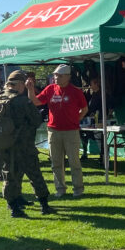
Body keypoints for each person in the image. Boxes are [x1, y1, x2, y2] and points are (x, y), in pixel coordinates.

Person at [0, 70, 54, 218]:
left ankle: (14, 206)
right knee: (35, 174)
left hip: (5, 145)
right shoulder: (22, 101)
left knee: (10, 175)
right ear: (21, 84)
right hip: (24, 145)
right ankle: (44, 205)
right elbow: (36, 120)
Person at [30, 64, 88, 197]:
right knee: (56, 162)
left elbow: (84, 109)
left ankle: (78, 189)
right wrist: (30, 89)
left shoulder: (76, 91)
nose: (56, 77)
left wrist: (76, 120)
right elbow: (36, 101)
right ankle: (60, 189)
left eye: (60, 75)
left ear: (68, 77)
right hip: (53, 131)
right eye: (55, 75)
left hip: (71, 132)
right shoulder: (50, 89)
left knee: (74, 162)